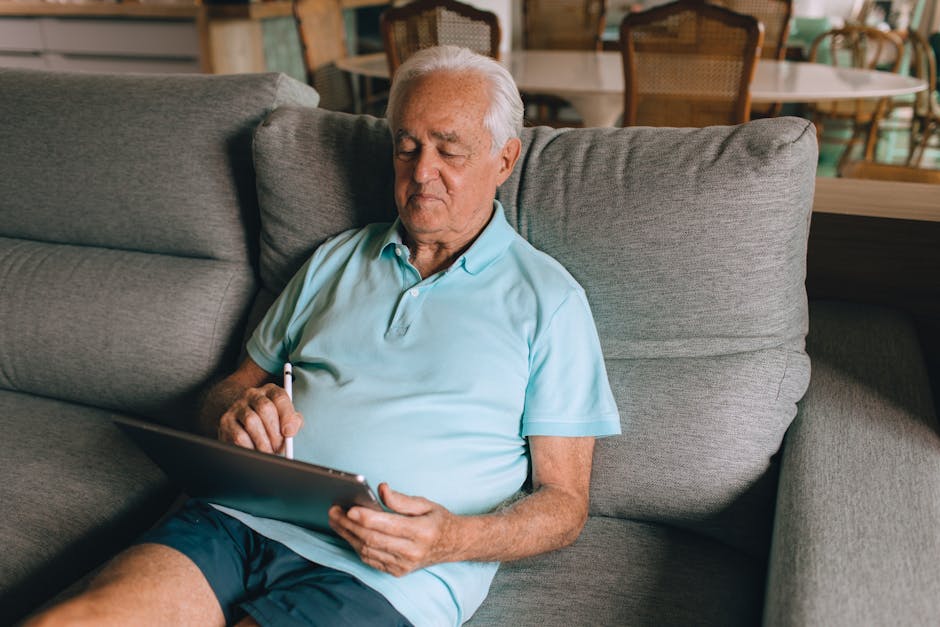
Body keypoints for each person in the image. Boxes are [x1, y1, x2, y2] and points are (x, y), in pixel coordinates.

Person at [27, 45, 620, 627]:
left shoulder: (550, 301)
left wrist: (452, 539)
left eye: (449, 150)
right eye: (407, 148)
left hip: (387, 574)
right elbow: (230, 388)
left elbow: (564, 505)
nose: (421, 173)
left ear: (505, 159)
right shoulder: (336, 259)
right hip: (239, 520)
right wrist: (235, 411)